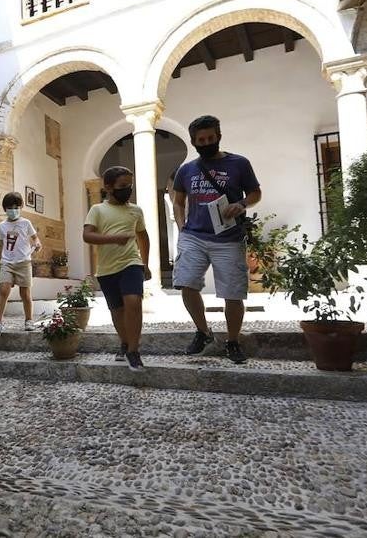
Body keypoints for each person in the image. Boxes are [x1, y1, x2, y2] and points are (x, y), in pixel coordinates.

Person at [171, 115, 262, 365]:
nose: (207, 142)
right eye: (201, 140)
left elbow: (255, 193)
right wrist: (182, 227)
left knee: (232, 293)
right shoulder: (186, 170)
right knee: (186, 284)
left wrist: (241, 204)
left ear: (219, 136)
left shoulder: (239, 163)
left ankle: (232, 341)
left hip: (229, 238)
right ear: (193, 142)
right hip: (194, 236)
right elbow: (178, 202)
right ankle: (203, 332)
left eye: (211, 138)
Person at [82, 166, 151, 370]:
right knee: (117, 311)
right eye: (123, 186)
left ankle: (133, 350)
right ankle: (125, 341)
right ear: (109, 187)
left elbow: (143, 237)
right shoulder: (97, 210)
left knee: (134, 301)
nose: (128, 189)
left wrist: (145, 264)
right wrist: (114, 238)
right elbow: (87, 235)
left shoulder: (136, 210)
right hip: (106, 269)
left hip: (132, 263)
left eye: (130, 185)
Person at [0, 192, 42, 335]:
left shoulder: (26, 223)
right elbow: (0, 244)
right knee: (4, 290)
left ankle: (29, 320)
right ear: (5, 209)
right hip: (7, 263)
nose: (13, 210)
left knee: (25, 293)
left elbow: (35, 238)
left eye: (16, 207)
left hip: (24, 262)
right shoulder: (1, 226)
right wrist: (0, 260)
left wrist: (37, 244)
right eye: (10, 207)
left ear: (21, 207)